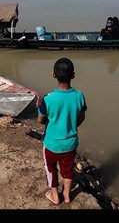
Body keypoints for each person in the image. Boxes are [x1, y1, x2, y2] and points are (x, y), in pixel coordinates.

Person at [38, 58, 87, 205]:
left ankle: (54, 195)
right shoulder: (79, 96)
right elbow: (81, 117)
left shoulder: (48, 98)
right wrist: (71, 125)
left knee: (50, 168)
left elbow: (40, 119)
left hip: (52, 143)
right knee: (68, 168)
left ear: (53, 75)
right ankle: (66, 195)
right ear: (73, 76)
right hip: (71, 142)